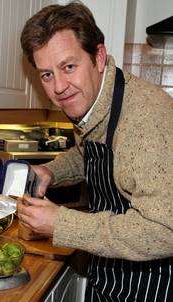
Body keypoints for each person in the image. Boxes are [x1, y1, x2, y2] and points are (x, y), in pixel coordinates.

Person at [17, 2, 173, 301]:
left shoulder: (147, 119)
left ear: (98, 57)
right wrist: (53, 171)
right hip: (110, 275)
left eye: (68, 67)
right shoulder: (94, 100)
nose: (59, 87)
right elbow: (88, 151)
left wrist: (61, 223)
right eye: (47, 75)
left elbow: (165, 229)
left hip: (151, 285)